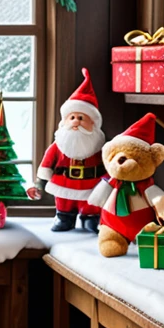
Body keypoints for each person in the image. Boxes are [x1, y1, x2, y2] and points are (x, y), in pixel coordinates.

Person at [35, 69, 105, 232]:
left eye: (81, 118)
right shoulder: (59, 145)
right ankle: (64, 218)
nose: (76, 122)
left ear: (93, 123)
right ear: (64, 121)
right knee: (63, 201)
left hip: (91, 184)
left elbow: (108, 162)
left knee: (91, 202)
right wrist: (41, 181)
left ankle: (90, 219)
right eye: (72, 117)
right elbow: (46, 163)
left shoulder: (98, 146)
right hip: (63, 182)